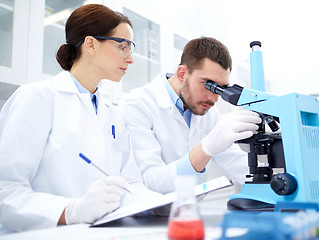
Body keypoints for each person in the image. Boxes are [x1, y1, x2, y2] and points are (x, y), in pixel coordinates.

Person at [0, 4, 162, 234]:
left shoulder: (113, 113)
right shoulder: (37, 98)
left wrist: (158, 204)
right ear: (91, 44)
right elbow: (6, 190)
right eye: (123, 47)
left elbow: (128, 182)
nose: (131, 58)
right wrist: (71, 210)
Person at [118, 37, 262, 194]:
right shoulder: (136, 105)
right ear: (181, 74)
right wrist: (206, 148)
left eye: (221, 89)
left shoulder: (207, 110)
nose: (214, 99)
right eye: (209, 85)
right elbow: (152, 182)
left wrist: (277, 183)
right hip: (149, 215)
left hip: (189, 210)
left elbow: (236, 162)